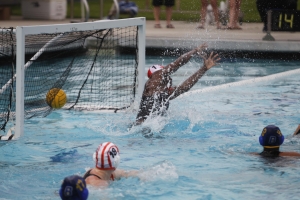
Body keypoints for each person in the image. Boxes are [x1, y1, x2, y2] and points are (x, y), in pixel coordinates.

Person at [135, 44, 220, 125]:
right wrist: (195, 51)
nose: (170, 78)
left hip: (148, 128)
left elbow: (184, 87)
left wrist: (204, 69)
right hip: (142, 127)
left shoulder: (164, 92)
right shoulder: (154, 81)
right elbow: (177, 63)